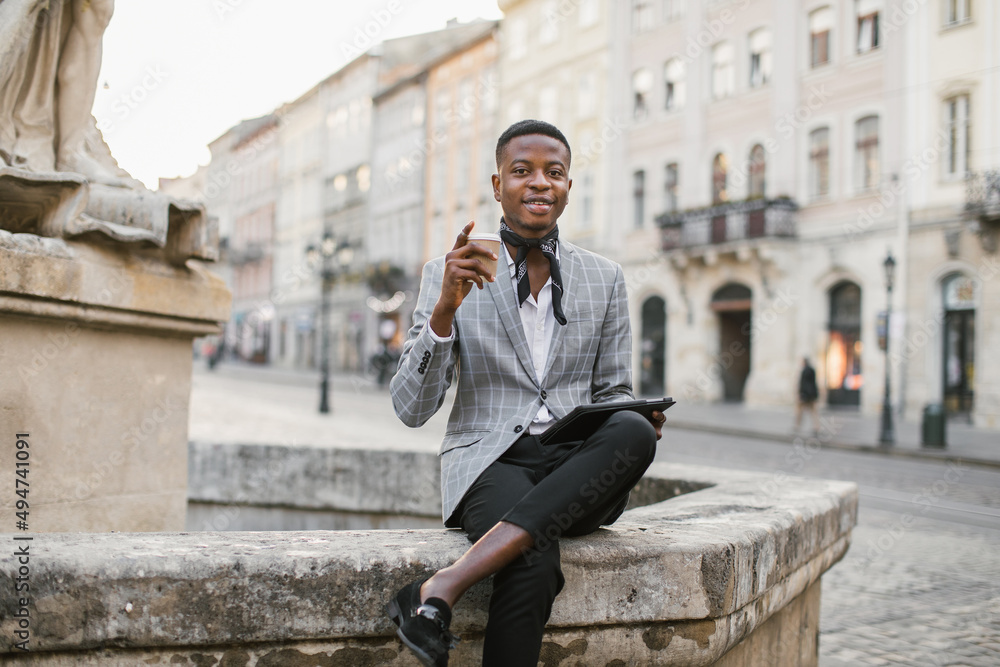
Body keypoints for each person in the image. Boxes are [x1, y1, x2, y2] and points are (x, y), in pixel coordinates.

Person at [386, 120, 664, 666]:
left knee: (631, 427)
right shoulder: (447, 274)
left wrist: (635, 414)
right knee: (533, 561)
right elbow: (410, 408)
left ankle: (445, 584)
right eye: (522, 171)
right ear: (497, 187)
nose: (539, 182)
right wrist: (445, 309)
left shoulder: (604, 277)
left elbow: (613, 387)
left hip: (573, 466)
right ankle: (441, 588)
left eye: (553, 172)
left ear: (567, 187)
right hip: (491, 463)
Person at [795, 357, 820, 434]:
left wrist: (801, 394)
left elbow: (803, 384)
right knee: (813, 412)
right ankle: (816, 427)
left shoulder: (804, 371)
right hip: (812, 395)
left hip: (805, 395)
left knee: (799, 411)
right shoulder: (812, 370)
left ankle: (797, 426)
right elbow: (814, 383)